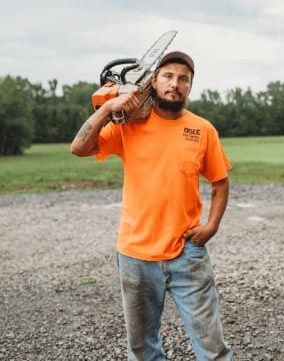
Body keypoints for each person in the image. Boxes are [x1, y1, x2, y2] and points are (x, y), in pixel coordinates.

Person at [70, 51, 234, 361]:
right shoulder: (127, 126)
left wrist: (211, 226)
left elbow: (220, 182)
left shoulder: (202, 129)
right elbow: (78, 148)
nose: (176, 84)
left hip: (188, 254)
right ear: (153, 81)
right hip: (135, 255)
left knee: (214, 350)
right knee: (143, 350)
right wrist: (108, 107)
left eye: (183, 79)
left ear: (190, 86)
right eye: (168, 76)